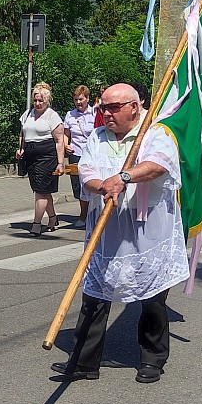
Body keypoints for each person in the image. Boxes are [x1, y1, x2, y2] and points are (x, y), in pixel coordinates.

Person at [50, 83, 188, 384]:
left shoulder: (155, 132)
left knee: (152, 296)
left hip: (147, 231)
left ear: (134, 107)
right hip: (107, 229)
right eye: (103, 108)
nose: (106, 113)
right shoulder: (98, 137)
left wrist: (124, 177)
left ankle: (152, 358)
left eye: (113, 108)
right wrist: (101, 186)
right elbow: (86, 171)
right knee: (94, 294)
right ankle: (84, 362)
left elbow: (159, 165)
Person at [15, 82, 65, 235]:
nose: (37, 103)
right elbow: (22, 133)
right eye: (35, 100)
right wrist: (21, 149)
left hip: (47, 157)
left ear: (47, 101)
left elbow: (59, 141)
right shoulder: (28, 114)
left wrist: (60, 163)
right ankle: (53, 218)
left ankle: (36, 224)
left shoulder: (52, 116)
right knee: (42, 191)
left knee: (40, 191)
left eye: (41, 100)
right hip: (30, 156)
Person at [62, 85, 97, 228]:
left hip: (91, 155)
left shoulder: (95, 113)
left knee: (90, 185)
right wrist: (66, 145)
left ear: (87, 98)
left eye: (81, 99)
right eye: (76, 99)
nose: (78, 102)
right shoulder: (70, 115)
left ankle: (87, 216)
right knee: (78, 187)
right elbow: (66, 134)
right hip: (75, 155)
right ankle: (84, 214)